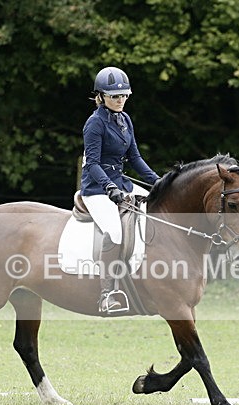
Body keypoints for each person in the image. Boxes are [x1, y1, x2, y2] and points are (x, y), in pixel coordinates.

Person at [80, 66, 160, 313]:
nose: (121, 100)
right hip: (96, 189)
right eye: (115, 96)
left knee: (156, 208)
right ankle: (107, 294)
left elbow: (134, 158)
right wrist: (109, 187)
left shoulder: (125, 120)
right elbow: (92, 164)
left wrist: (159, 182)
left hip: (120, 184)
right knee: (114, 231)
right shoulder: (94, 124)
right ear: (101, 97)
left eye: (124, 95)